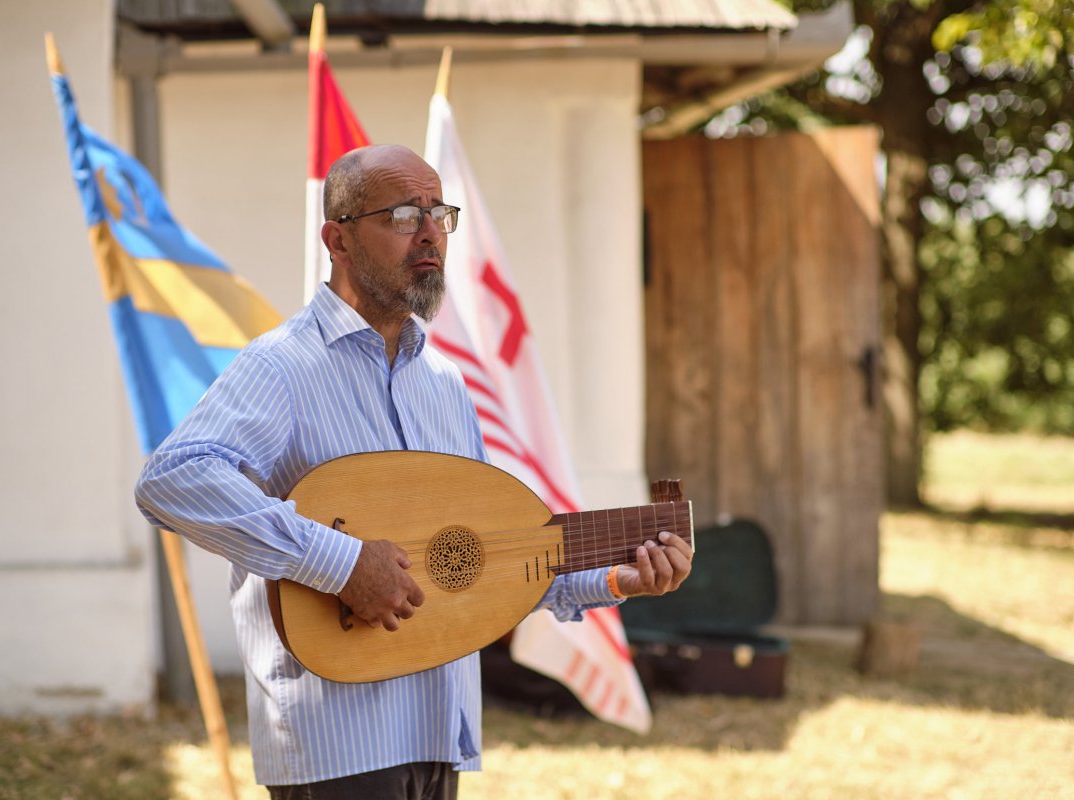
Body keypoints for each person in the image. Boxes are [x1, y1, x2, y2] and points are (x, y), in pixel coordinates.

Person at [135, 144, 693, 799]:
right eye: (402, 215)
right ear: (336, 240)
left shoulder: (445, 383)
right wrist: (338, 562)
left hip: (439, 734)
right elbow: (171, 479)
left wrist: (613, 579)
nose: (429, 232)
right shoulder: (282, 366)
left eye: (439, 213)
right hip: (337, 744)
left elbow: (478, 565)